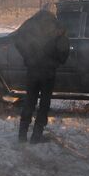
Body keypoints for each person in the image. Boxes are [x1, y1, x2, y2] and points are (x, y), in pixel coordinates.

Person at [13, 9, 70, 143]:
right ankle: (36, 137)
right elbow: (63, 52)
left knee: (29, 101)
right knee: (44, 104)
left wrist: (27, 56)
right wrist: (56, 60)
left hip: (32, 70)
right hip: (48, 72)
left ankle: (22, 136)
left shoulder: (30, 24)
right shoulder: (56, 26)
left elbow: (17, 39)